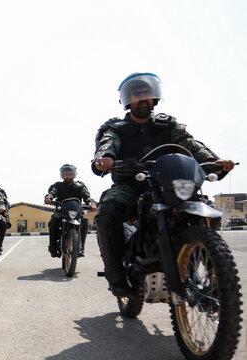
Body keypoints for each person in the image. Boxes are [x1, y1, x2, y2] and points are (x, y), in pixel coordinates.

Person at [92, 72, 234, 296]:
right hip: (130, 185)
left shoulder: (169, 126)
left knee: (204, 209)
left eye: (147, 94)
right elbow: (107, 145)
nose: (143, 99)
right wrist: (105, 159)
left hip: (168, 183)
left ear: (155, 97)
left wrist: (211, 161)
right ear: (128, 99)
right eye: (137, 95)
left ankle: (216, 276)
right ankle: (115, 274)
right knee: (107, 213)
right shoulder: (116, 129)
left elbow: (191, 144)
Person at [44, 164, 96, 258]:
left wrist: (90, 203)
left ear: (74, 174)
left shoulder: (80, 185)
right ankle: (53, 247)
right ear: (62, 175)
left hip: (76, 211)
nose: (67, 175)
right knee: (53, 222)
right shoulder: (58, 185)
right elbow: (52, 192)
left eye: (70, 173)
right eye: (65, 173)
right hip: (62, 210)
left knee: (84, 221)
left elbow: (86, 196)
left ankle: (81, 247)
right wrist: (49, 198)